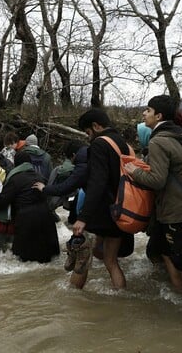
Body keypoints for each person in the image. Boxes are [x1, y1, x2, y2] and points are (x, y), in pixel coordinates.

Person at [124, 95, 182, 306]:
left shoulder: (159, 141)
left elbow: (157, 180)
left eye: (148, 110)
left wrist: (134, 171)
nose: (144, 113)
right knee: (170, 252)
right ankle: (181, 293)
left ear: (159, 115)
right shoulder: (181, 135)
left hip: (177, 210)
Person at [72, 108, 131, 290]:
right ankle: (121, 298)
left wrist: (83, 217)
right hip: (122, 208)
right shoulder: (123, 143)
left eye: (88, 132)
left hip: (104, 210)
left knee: (86, 256)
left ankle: (72, 295)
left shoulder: (99, 144)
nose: (88, 137)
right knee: (109, 259)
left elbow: (97, 182)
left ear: (96, 126)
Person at [0, 151, 60, 263]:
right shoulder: (39, 176)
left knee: (23, 259)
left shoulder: (15, 178)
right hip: (46, 217)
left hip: (26, 218)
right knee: (47, 258)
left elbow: (2, 201)